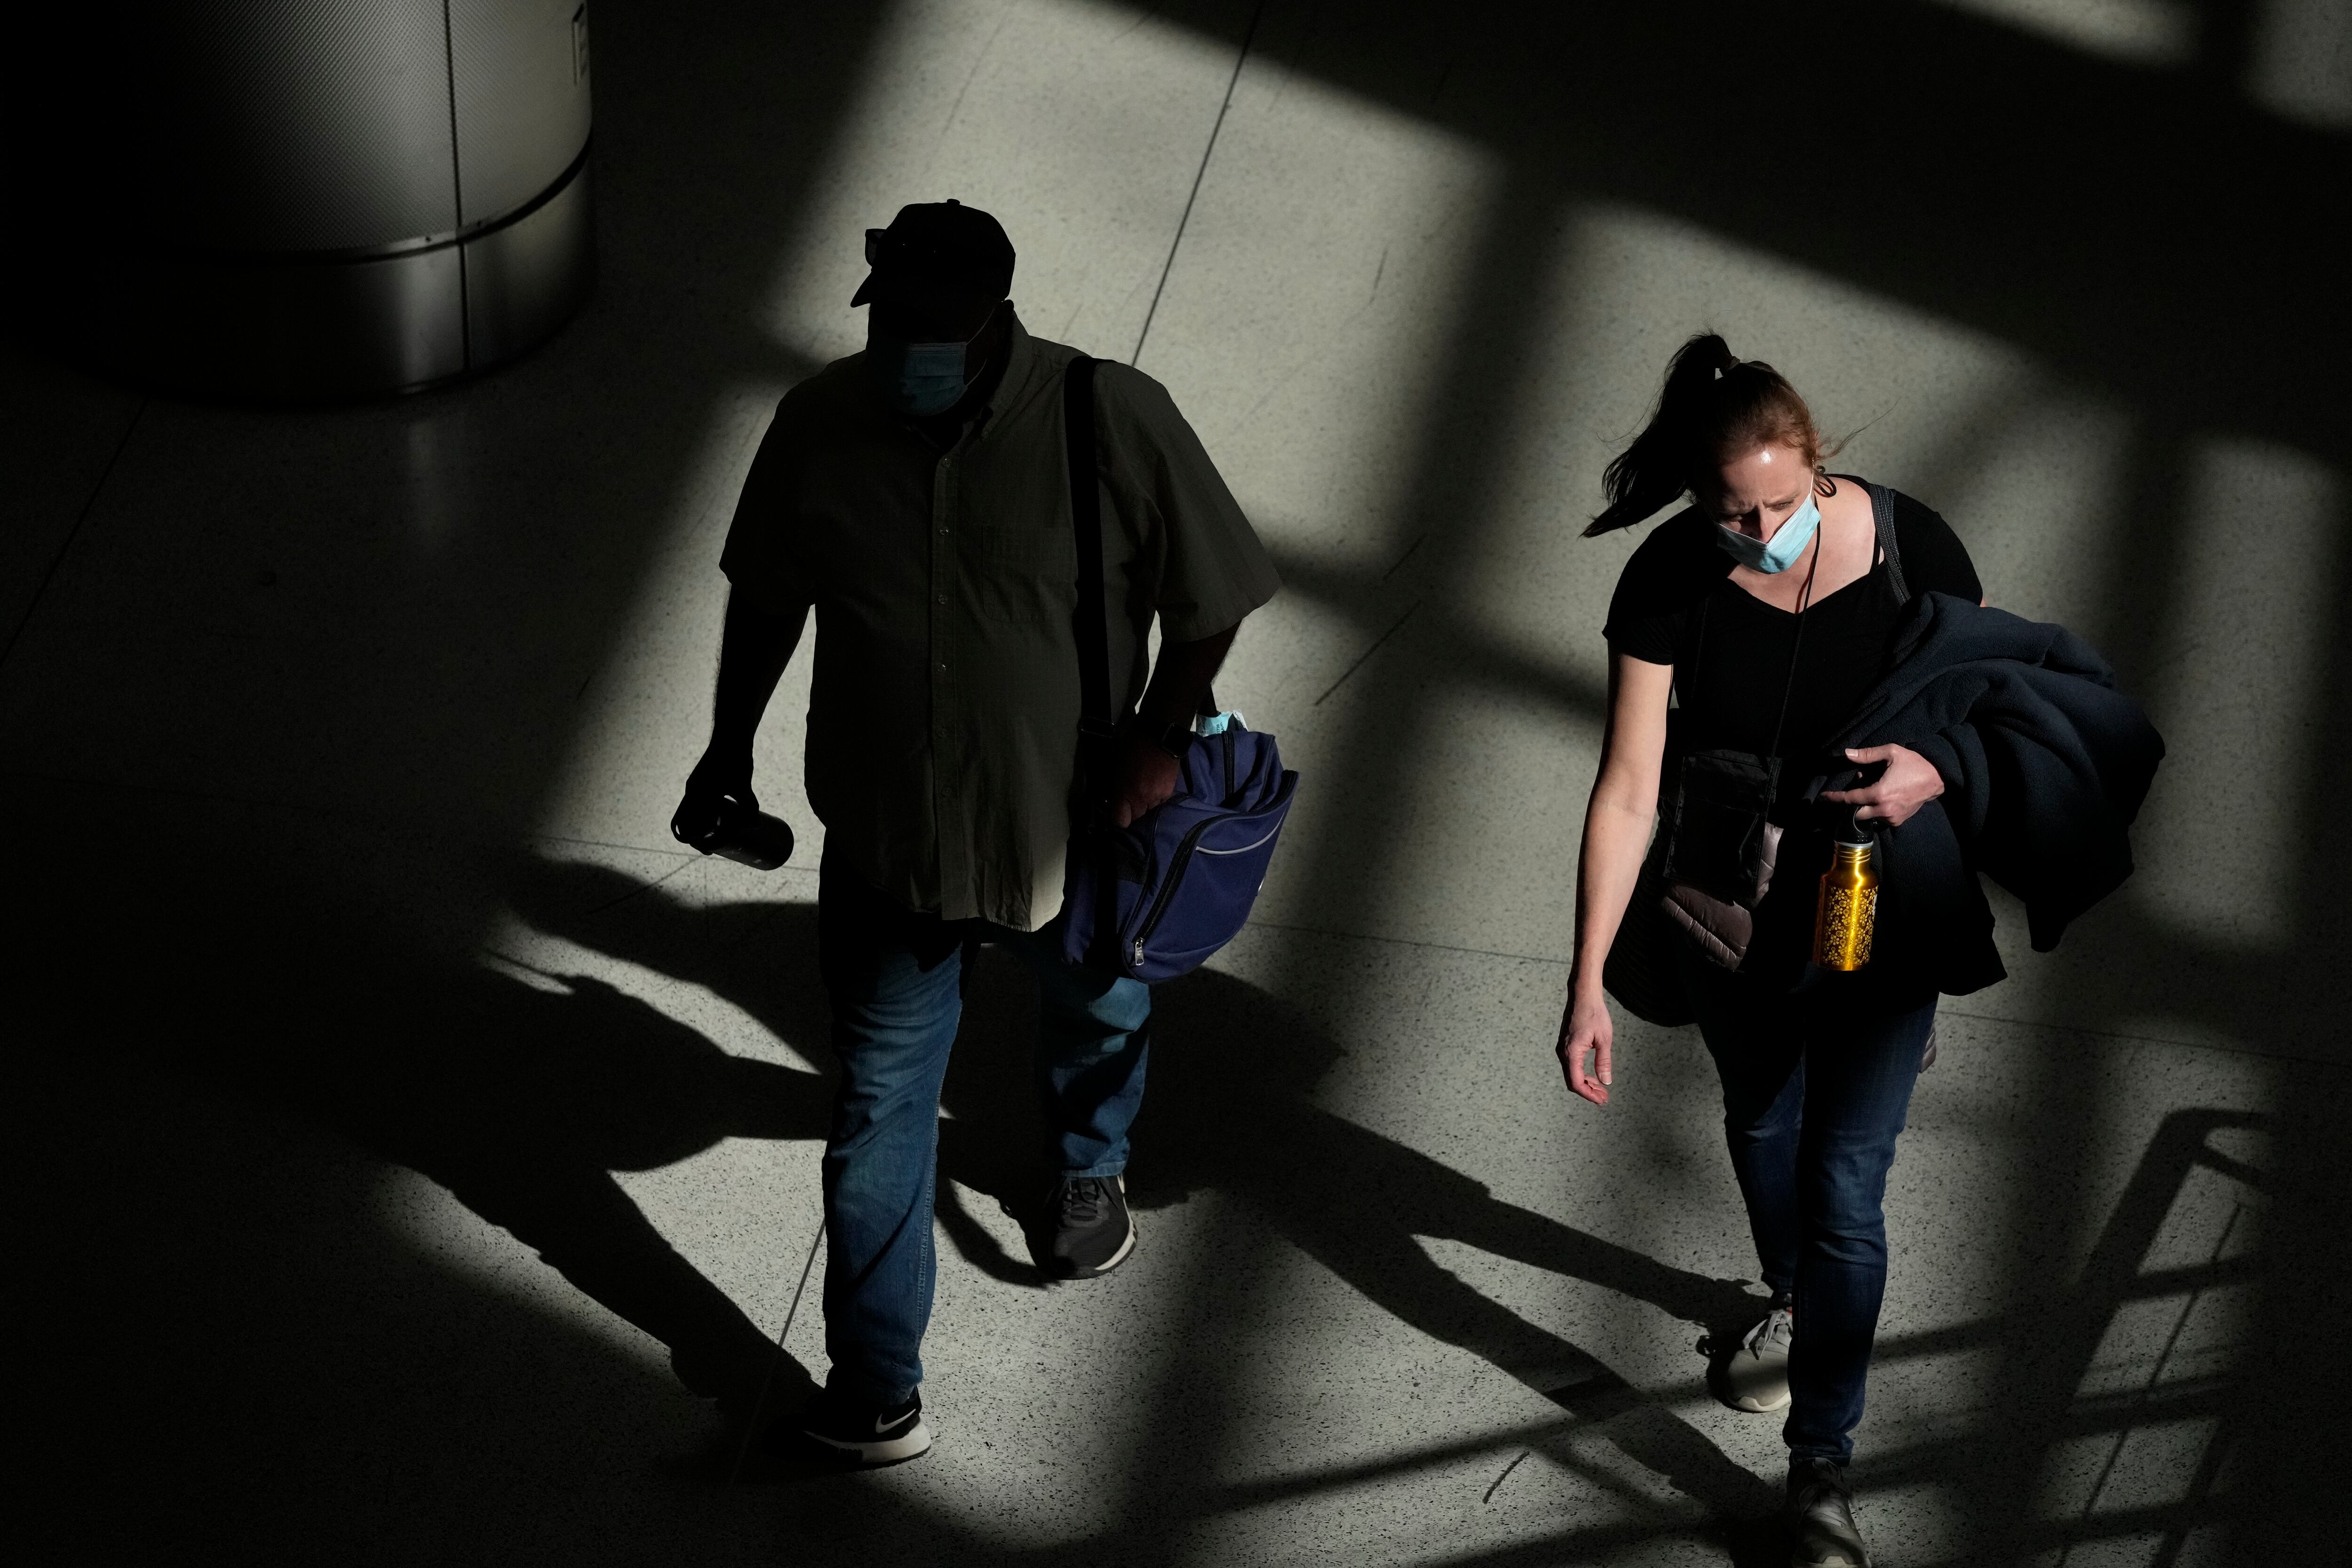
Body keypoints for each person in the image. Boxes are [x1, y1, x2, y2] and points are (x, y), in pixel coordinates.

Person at [676, 200, 1280, 1466]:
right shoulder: (821, 422)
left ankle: (1088, 1166)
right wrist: (729, 745)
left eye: (933, 326)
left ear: (997, 314)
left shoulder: (1107, 418)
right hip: (890, 833)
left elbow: (1214, 592)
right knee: (878, 1104)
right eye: (889, 320)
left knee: (1097, 1005)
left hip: (1069, 819)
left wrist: (1161, 736)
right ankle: (874, 1390)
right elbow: (767, 595)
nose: (906, 347)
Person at [1555, 335, 1985, 1568]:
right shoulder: (1670, 576)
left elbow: (1986, 708)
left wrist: (1934, 770)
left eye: (1782, 506)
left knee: (1847, 1184)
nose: (1762, 535)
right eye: (1735, 516)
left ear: (1817, 458)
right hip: (1725, 904)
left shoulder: (1914, 548)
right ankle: (1793, 1296)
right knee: (1761, 1118)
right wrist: (1586, 982)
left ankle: (1819, 1473)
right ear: (1699, 500)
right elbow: (1629, 784)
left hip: (1875, 907)